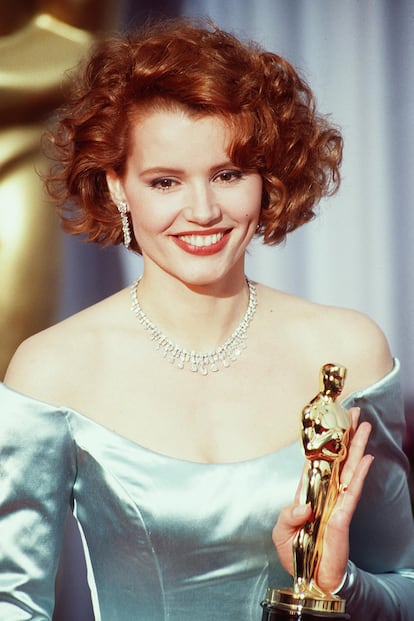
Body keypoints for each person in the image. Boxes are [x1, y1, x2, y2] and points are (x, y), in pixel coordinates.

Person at [1, 16, 413, 621]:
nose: (202, 211)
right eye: (165, 181)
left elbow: (402, 585)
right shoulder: (53, 371)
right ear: (117, 186)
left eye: (227, 175)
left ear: (265, 179)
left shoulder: (348, 351)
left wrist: (339, 585)